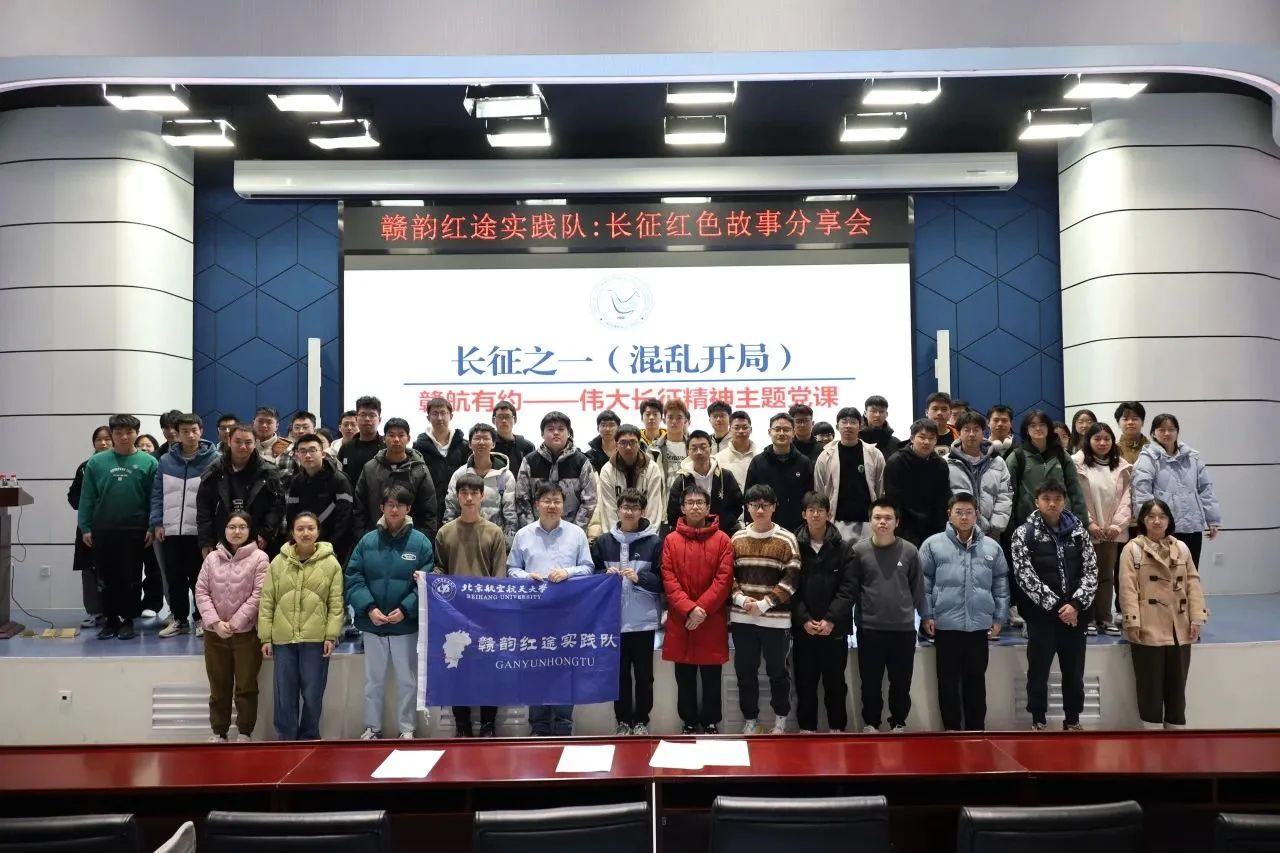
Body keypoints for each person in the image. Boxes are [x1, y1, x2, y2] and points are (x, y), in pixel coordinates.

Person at [507, 482, 595, 736]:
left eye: (557, 501)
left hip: (567, 616)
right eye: (547, 500)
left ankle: (564, 725)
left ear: (563, 505)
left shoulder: (576, 534)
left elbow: (588, 568)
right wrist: (526, 576)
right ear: (537, 504)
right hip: (533, 615)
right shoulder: (523, 535)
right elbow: (511, 569)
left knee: (564, 669)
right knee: (535, 669)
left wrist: (568, 572)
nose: (552, 506)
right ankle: (539, 726)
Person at [347, 485, 433, 741]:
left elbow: (426, 581)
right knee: (373, 681)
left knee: (407, 680)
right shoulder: (367, 541)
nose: (394, 510)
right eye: (390, 504)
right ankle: (372, 727)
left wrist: (406, 609)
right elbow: (353, 577)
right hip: (373, 624)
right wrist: (369, 608)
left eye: (400, 505)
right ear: (381, 507)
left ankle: (407, 728)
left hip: (405, 625)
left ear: (408, 509)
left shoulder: (420, 543)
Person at [1011, 480, 1098, 731]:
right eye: (1046, 498)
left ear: (1064, 501)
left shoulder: (1079, 532)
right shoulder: (1024, 533)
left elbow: (1091, 571)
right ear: (1036, 502)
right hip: (1042, 619)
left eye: (1057, 498)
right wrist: (1059, 607)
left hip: (1075, 618)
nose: (1052, 503)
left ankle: (1073, 720)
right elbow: (1025, 576)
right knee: (1038, 674)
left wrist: (1076, 605)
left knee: (1074, 674)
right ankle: (1038, 720)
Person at [921, 493, 1010, 731]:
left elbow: (1001, 585)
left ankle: (976, 729)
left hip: (979, 627)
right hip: (945, 626)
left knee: (976, 682)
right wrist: (927, 615)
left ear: (976, 515)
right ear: (949, 514)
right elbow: (923, 584)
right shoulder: (932, 545)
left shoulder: (992, 547)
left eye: (969, 512)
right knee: (947, 683)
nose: (964, 517)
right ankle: (951, 730)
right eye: (958, 512)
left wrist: (999, 618)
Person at [1120, 498, 1208, 730]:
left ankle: (1175, 735)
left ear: (1169, 520)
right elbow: (1127, 588)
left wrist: (1196, 617)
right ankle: (1152, 735)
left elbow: (1193, 583)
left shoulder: (1181, 548)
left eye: (1162, 516)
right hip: (1147, 628)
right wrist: (1132, 621)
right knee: (1149, 686)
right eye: (1151, 516)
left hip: (1179, 628)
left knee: (1177, 688)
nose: (1157, 521)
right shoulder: (1132, 549)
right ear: (1143, 521)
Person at [434, 473, 509, 737]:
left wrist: (492, 608)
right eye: (463, 493)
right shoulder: (445, 532)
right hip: (454, 614)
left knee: (489, 670)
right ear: (457, 496)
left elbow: (499, 575)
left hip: (487, 615)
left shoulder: (494, 532)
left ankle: (488, 724)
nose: (468, 498)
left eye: (473, 493)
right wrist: (429, 579)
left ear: (482, 496)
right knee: (457, 669)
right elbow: (440, 569)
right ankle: (462, 725)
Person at [259, 511, 344, 741]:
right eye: (300, 529)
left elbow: (336, 603)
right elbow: (267, 601)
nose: (305, 533)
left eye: (310, 528)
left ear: (318, 531)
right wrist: (266, 637)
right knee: (284, 694)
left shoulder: (331, 564)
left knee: (313, 694)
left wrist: (331, 635)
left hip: (315, 640)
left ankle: (309, 737)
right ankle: (286, 739)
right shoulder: (278, 562)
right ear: (293, 532)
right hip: (283, 639)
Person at [77, 414, 159, 641]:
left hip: (136, 529)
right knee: (105, 577)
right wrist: (85, 527)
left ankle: (127, 620)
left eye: (129, 432)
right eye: (118, 433)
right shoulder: (96, 462)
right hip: (103, 528)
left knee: (131, 577)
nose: (124, 437)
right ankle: (110, 620)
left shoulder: (149, 462)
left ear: (136, 434)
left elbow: (155, 498)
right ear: (112, 435)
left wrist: (152, 526)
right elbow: (87, 497)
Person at [661, 483, 734, 735]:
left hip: (710, 619)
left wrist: (701, 609)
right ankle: (689, 722)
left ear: (708, 507)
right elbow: (668, 578)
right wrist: (689, 609)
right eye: (690, 502)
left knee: (712, 676)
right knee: (684, 677)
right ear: (682, 508)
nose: (695, 506)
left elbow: (724, 579)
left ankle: (711, 721)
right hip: (682, 619)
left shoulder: (723, 540)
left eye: (699, 502)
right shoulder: (670, 540)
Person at [850, 498, 926, 732]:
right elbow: (852, 589)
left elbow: (917, 589)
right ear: (870, 521)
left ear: (897, 522)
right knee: (870, 682)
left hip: (902, 630)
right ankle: (871, 723)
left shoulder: (910, 551)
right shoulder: (858, 551)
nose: (882, 522)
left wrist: (910, 613)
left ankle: (898, 722)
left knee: (901, 682)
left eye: (888, 518)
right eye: (877, 517)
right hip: (869, 629)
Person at [591, 487, 663, 735]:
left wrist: (640, 578)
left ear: (643, 511)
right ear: (618, 510)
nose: (629, 512)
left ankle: (642, 721)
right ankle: (623, 721)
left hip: (643, 621)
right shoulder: (604, 541)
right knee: (619, 675)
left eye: (634, 508)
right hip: (612, 621)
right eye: (625, 507)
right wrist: (604, 574)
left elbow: (663, 581)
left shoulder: (655, 542)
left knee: (644, 676)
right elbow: (591, 575)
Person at [731, 484, 801, 735]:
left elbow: (791, 580)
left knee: (778, 672)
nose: (759, 510)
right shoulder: (737, 538)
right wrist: (741, 600)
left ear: (774, 507)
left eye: (765, 505)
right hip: (742, 619)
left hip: (775, 621)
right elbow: (728, 576)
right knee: (745, 673)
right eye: (754, 505)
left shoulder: (787, 539)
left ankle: (780, 720)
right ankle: (750, 720)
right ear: (747, 508)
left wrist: (763, 604)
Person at [195, 511, 268, 742]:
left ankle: (245, 731)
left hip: (246, 635)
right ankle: (219, 731)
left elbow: (259, 595)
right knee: (219, 686)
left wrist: (235, 623)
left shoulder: (260, 558)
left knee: (246, 686)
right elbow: (201, 591)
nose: (237, 531)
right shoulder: (211, 558)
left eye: (242, 527)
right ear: (224, 530)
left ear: (250, 530)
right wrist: (216, 623)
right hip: (214, 634)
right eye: (232, 527)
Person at [792, 492, 856, 733]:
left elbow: (848, 589)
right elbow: (789, 588)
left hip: (835, 630)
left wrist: (830, 619)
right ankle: (806, 730)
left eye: (820, 510)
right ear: (804, 514)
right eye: (811, 510)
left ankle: (837, 729)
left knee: (835, 684)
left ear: (829, 514)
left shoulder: (844, 549)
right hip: (803, 630)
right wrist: (804, 620)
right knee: (805, 683)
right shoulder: (793, 546)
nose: (815, 514)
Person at [152, 413, 220, 638]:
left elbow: (218, 497)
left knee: (200, 578)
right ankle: (179, 619)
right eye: (184, 431)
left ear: (201, 431)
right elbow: (157, 493)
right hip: (171, 530)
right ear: (177, 434)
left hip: (200, 531)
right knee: (174, 577)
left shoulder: (215, 459)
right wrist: (158, 522)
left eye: (194, 430)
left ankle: (202, 618)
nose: (190, 435)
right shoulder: (165, 461)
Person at [1131, 414, 1221, 570]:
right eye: (1161, 430)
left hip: (1191, 526)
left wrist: (1212, 520)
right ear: (1153, 433)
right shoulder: (1148, 458)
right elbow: (1141, 494)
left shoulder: (1192, 457)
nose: (1167, 433)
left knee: (1191, 571)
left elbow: (1206, 489)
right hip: (1162, 528)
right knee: (1164, 573)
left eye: (1171, 429)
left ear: (1177, 432)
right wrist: (1148, 524)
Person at [1072, 422, 1132, 636]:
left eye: (1107, 438)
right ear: (1088, 441)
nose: (1102, 442)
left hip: (1112, 531)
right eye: (1097, 438)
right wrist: (1089, 523)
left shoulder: (1122, 466)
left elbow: (1128, 498)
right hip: (1086, 530)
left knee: (1106, 576)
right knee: (1086, 575)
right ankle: (1086, 618)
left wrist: (1117, 525)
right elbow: (1076, 498)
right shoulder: (1076, 464)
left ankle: (1105, 618)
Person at [196, 424, 285, 560]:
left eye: (248, 442)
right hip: (221, 541)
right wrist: (206, 540)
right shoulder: (214, 470)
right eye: (238, 441)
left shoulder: (269, 471)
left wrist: (265, 534)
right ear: (229, 441)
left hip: (259, 541)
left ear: (255, 443)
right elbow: (204, 508)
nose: (243, 446)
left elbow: (277, 506)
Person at [1004, 410, 1089, 539]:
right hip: (1028, 524)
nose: (1038, 428)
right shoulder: (1017, 457)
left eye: (1042, 424)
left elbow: (1075, 490)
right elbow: (1009, 495)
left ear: (1049, 428)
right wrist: (1011, 529)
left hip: (1063, 523)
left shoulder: (1061, 455)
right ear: (1026, 430)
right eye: (1033, 425)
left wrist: (1082, 523)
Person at [353, 418, 437, 539]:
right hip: (375, 537)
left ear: (408, 438)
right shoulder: (370, 468)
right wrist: (364, 536)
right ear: (384, 438)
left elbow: (429, 508)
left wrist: (423, 539)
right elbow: (359, 506)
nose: (396, 439)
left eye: (401, 435)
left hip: (411, 538)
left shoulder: (419, 469)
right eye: (391, 435)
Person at [813, 406, 886, 544]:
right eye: (844, 422)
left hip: (868, 521)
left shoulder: (874, 454)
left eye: (853, 422)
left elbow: (881, 489)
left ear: (861, 426)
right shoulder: (825, 456)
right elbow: (819, 491)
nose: (848, 426)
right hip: (836, 520)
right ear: (837, 426)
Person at [514, 411, 596, 531]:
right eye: (550, 429)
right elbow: (521, 499)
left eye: (561, 429)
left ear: (569, 433)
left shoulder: (581, 461)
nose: (556, 432)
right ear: (542, 434)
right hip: (536, 530)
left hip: (571, 530)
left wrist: (575, 530)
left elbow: (589, 500)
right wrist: (531, 529)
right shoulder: (530, 461)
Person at [443, 423, 518, 545]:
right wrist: (450, 539)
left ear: (493, 444)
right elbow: (451, 507)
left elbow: (510, 513)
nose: (481, 442)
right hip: (464, 538)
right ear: (469, 444)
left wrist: (507, 545)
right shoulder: (460, 474)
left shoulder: (505, 476)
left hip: (495, 540)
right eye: (477, 438)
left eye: (486, 438)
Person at [285, 432, 355, 560]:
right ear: (297, 455)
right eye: (303, 451)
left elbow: (344, 518)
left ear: (322, 453)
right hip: (304, 545)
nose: (307, 455)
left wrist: (331, 547)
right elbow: (292, 515)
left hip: (333, 548)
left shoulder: (339, 480)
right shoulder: (296, 481)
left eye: (312, 450)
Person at [69, 425, 112, 628]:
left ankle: (116, 612)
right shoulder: (85, 467)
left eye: (107, 439)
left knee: (114, 570)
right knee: (89, 571)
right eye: (98, 440)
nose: (103, 443)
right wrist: (90, 505)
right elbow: (73, 496)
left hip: (114, 526)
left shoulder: (121, 463)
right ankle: (95, 612)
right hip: (88, 527)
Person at [946, 411, 1013, 540]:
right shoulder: (947, 462)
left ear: (983, 432)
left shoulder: (997, 462)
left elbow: (1005, 495)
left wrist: (996, 528)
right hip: (956, 532)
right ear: (959, 433)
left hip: (991, 534)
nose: (971, 434)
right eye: (966, 430)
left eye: (976, 430)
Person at [883, 419, 950, 547]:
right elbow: (893, 501)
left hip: (934, 528)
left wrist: (942, 529)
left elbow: (943, 498)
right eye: (922, 437)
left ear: (936, 441)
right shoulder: (896, 462)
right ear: (912, 438)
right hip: (905, 527)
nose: (926, 442)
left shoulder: (940, 464)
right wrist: (901, 530)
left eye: (931, 438)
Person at [744, 413, 815, 534]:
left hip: (797, 528)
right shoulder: (758, 462)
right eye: (777, 429)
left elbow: (809, 498)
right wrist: (750, 526)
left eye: (786, 430)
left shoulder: (804, 462)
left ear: (793, 432)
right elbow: (748, 497)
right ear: (769, 432)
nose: (781, 433)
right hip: (764, 527)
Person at [666, 430, 744, 535]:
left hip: (721, 532)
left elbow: (737, 505)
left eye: (703, 447)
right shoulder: (682, 480)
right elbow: (673, 513)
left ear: (710, 450)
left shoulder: (725, 476)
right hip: (690, 535)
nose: (699, 452)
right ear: (688, 452)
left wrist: (722, 525)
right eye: (694, 448)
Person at [598, 423, 665, 534]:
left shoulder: (652, 468)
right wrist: (616, 537)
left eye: (633, 442)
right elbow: (608, 510)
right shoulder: (607, 470)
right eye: (623, 442)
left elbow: (654, 508)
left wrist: (647, 536)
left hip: (645, 534)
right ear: (616, 444)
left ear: (639, 444)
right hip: (617, 534)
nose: (628, 447)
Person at [412, 397, 469, 519]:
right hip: (428, 508)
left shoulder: (463, 445)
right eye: (435, 413)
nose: (439, 418)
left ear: (451, 416)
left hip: (459, 507)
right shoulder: (418, 447)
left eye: (443, 413)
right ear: (428, 418)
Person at [338, 396, 386, 486]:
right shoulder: (346, 448)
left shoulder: (387, 447)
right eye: (363, 415)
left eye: (372, 415)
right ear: (356, 419)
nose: (367, 419)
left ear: (379, 420)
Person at [651, 398, 691, 494]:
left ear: (685, 420)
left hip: (688, 499)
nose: (674, 421)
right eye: (670, 417)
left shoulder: (692, 447)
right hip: (662, 499)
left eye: (679, 417)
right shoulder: (654, 449)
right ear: (664, 420)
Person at [714, 410, 757, 489]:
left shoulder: (759, 456)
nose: (741, 431)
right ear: (730, 430)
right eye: (736, 428)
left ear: (751, 430)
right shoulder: (718, 458)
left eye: (745, 427)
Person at [491, 401, 535, 477]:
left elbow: (532, 474)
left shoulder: (527, 446)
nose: (504, 421)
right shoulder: (488, 445)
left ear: (515, 419)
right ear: (493, 420)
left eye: (507, 417)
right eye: (500, 417)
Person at [861, 395, 899, 459]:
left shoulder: (896, 444)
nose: (877, 415)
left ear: (886, 414)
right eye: (873, 411)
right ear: (865, 413)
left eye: (881, 411)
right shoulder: (856, 441)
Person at [1114, 401, 1149, 466]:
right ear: (1118, 423)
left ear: (1142, 422)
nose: (1130, 422)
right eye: (1125, 419)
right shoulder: (1112, 450)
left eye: (1135, 419)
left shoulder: (1152, 449)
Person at [586, 409, 620, 473]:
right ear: (598, 428)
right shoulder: (590, 455)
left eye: (611, 425)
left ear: (618, 428)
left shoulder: (625, 451)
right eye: (603, 425)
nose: (607, 429)